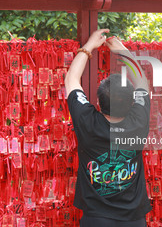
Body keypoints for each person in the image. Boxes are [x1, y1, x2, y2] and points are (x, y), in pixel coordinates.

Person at [65, 29, 152, 227]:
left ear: (97, 101)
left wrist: (89, 46)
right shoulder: (139, 120)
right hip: (134, 220)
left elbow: (71, 80)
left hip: (96, 219)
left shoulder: (88, 122)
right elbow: (142, 82)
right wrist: (121, 51)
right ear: (133, 103)